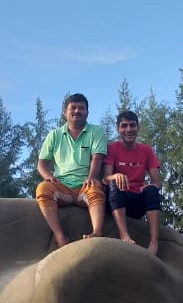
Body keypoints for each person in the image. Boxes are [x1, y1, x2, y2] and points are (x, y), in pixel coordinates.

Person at [35, 93, 107, 248]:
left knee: (96, 191)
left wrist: (92, 176)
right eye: (73, 108)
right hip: (62, 186)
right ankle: (60, 236)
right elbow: (42, 163)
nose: (77, 111)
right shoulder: (54, 135)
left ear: (87, 112)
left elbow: (98, 157)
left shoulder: (96, 131)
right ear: (65, 112)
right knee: (43, 189)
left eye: (81, 108)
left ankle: (97, 232)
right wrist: (48, 176)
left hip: (85, 185)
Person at [103, 110, 163, 255]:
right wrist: (115, 176)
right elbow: (105, 177)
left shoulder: (146, 150)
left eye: (132, 125)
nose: (128, 130)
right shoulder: (112, 149)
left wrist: (151, 186)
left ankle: (154, 242)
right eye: (124, 126)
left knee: (152, 190)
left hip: (137, 200)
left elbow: (157, 182)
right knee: (113, 184)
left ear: (138, 128)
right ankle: (124, 234)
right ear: (118, 129)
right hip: (118, 200)